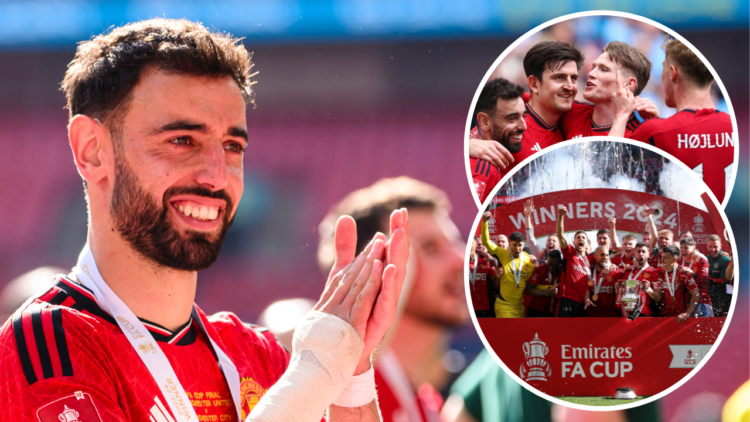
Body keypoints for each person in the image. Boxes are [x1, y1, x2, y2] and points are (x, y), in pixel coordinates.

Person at [0, 19, 411, 422]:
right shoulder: (47, 342)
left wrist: (349, 371)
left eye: (233, 147)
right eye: (182, 141)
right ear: (92, 151)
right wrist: (313, 375)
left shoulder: (256, 354)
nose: (217, 176)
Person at [317, 176, 467, 422]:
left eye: (455, 243)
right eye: (429, 248)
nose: (461, 259)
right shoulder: (336, 392)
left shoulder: (429, 407)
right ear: (374, 269)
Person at [626, 37, 734, 204]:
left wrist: (624, 113)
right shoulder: (734, 127)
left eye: (662, 69)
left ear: (673, 73)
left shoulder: (655, 131)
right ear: (712, 78)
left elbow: (611, 171)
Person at [468, 42, 584, 172]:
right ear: (534, 84)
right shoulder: (508, 124)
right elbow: (474, 146)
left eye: (573, 78)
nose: (570, 86)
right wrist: (468, 145)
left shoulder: (578, 119)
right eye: (559, 77)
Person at [562, 41, 656, 139]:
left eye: (604, 69)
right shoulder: (569, 112)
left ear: (628, 84)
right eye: (593, 68)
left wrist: (655, 123)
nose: (591, 74)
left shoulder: (641, 136)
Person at [468, 78, 527, 203]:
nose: (524, 126)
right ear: (485, 121)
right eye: (512, 118)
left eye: (523, 116)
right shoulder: (484, 170)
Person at [480, 212, 535, 318]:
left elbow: (531, 283)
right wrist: (485, 222)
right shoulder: (503, 253)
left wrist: (547, 289)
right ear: (510, 244)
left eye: (520, 245)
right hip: (504, 305)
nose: (517, 248)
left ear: (524, 244)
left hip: (519, 307)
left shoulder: (529, 260)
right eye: (514, 245)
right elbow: (486, 242)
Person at [555, 206, 593, 317]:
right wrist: (561, 216)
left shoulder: (590, 260)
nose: (581, 239)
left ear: (587, 243)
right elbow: (560, 235)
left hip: (583, 302)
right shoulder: (569, 252)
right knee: (564, 331)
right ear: (574, 242)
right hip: (567, 299)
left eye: (583, 238)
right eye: (578, 237)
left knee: (580, 333)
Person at [656, 246, 700, 322]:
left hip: (680, 318)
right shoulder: (660, 272)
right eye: (662, 257)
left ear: (674, 259)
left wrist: (688, 313)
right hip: (662, 317)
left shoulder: (683, 273)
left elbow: (696, 294)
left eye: (665, 258)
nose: (662, 260)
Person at [616, 242, 661, 318]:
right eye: (638, 251)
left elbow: (658, 298)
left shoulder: (654, 273)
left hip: (642, 312)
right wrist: (617, 287)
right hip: (624, 312)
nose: (641, 254)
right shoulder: (628, 271)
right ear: (634, 253)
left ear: (648, 254)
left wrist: (648, 289)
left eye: (643, 251)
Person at [678, 237, 714, 317]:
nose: (683, 250)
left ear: (693, 249)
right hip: (684, 303)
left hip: (701, 302)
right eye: (681, 247)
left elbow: (704, 283)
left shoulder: (701, 260)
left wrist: (692, 274)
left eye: (686, 248)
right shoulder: (679, 261)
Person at [585, 247, 623, 317]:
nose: (605, 257)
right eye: (602, 255)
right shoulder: (588, 273)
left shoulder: (618, 273)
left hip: (613, 316)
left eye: (607, 255)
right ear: (595, 256)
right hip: (592, 316)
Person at [524, 250, 560, 317]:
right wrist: (545, 293)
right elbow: (527, 289)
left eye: (553, 265)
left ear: (559, 263)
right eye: (549, 264)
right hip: (536, 310)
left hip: (554, 310)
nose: (550, 267)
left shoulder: (563, 271)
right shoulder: (540, 269)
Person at [469, 237, 499, 318]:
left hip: (484, 307)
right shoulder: (460, 261)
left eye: (471, 243)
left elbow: (496, 283)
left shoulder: (486, 261)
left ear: (474, 244)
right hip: (466, 308)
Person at [705, 234, 732, 316]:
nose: (713, 249)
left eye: (715, 247)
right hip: (710, 298)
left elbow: (725, 279)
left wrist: (707, 278)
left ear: (720, 246)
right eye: (710, 246)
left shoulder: (725, 259)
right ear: (707, 246)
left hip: (723, 299)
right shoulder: (706, 258)